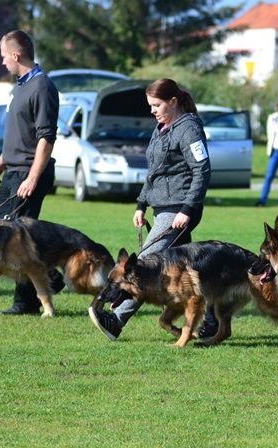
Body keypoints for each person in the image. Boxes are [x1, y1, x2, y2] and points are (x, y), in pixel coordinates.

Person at [89, 78, 211, 340]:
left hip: (178, 209)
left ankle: (116, 319)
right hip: (162, 208)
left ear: (173, 102)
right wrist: (141, 204)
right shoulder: (161, 129)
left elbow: (202, 169)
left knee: (141, 265)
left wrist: (188, 208)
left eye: (157, 105)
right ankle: (211, 318)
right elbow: (153, 173)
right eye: (151, 106)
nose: (152, 110)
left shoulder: (188, 129)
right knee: (187, 269)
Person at [0, 29, 63, 315]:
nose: (2, 61)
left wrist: (32, 177)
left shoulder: (42, 87)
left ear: (16, 55)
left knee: (18, 238)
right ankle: (51, 277)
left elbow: (45, 138)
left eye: (4, 56)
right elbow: (19, 134)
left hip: (28, 175)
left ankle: (27, 301)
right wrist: (0, 163)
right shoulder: (19, 86)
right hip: (12, 172)